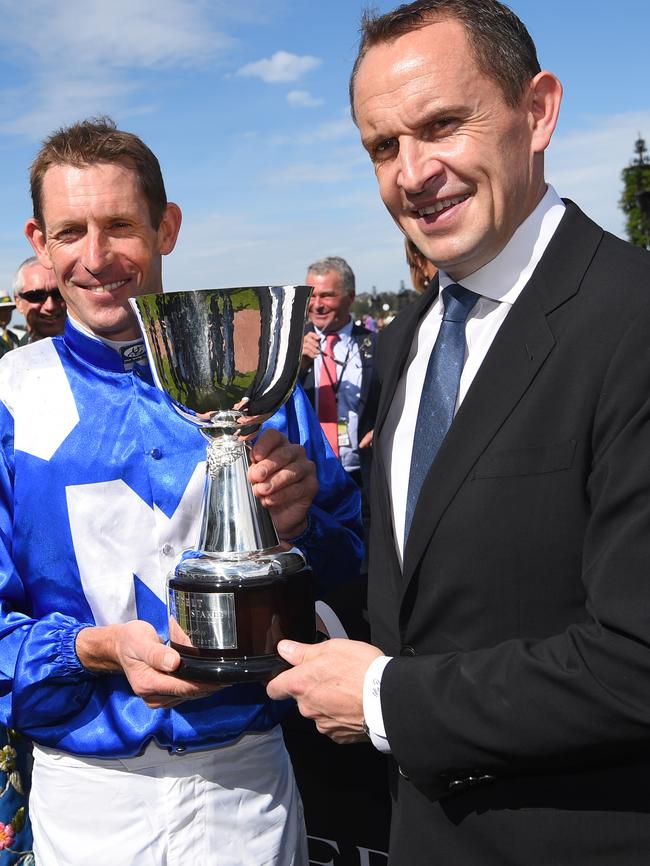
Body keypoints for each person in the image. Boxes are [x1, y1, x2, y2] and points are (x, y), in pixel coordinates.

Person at [267, 2, 650, 865]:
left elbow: (639, 660)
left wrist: (383, 701)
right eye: (382, 145)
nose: (413, 171)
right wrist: (299, 546)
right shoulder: (408, 335)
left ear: (538, 111)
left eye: (443, 124)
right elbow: (422, 593)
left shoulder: (633, 321)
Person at [0, 117, 362, 866]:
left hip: (247, 782)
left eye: (120, 226)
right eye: (71, 231)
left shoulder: (255, 373)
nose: (95, 258)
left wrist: (303, 530)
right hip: (83, 794)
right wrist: (91, 649)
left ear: (167, 227)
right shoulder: (8, 398)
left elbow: (352, 567)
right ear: (40, 239)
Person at [299, 256, 376, 488]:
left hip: (364, 477)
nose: (317, 304)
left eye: (327, 295)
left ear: (350, 297)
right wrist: (296, 368)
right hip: (308, 477)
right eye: (311, 295)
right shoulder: (288, 346)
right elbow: (270, 411)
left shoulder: (377, 344)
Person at [13, 256, 66, 343]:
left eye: (58, 294)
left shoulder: (93, 351)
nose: (50, 306)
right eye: (36, 296)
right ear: (18, 303)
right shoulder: (11, 355)